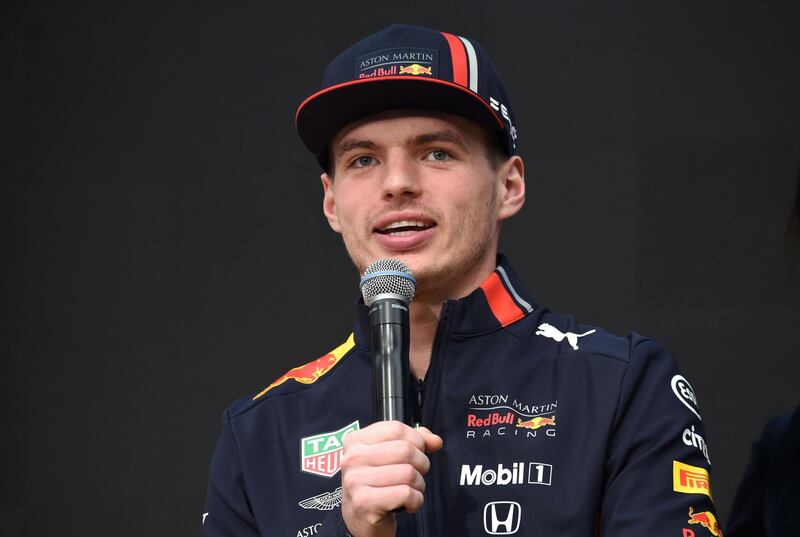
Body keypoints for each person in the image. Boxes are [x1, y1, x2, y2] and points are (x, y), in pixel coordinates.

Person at [203, 24, 721, 537]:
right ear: (332, 202)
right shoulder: (259, 433)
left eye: (437, 152)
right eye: (363, 160)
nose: (398, 183)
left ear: (508, 185)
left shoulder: (623, 385)